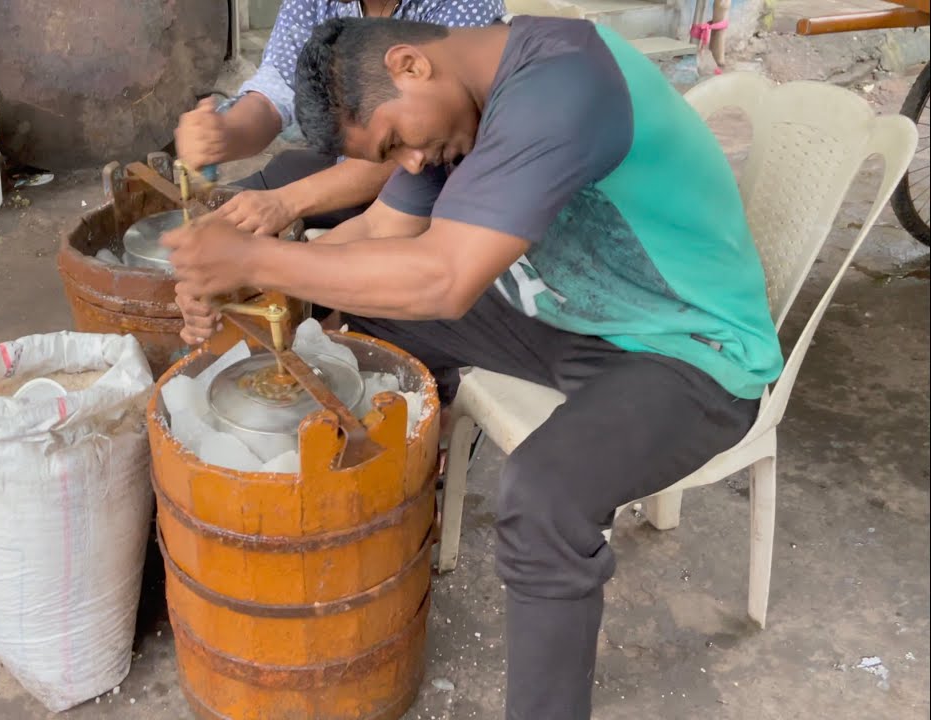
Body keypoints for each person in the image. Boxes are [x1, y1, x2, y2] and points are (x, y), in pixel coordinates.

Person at [163, 15, 784, 719]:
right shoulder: (461, 101)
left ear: (411, 65)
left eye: (398, 141)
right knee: (354, 319)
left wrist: (255, 259)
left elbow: (444, 279)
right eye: (389, 156)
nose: (414, 164)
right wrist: (247, 287)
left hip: (689, 349)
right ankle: (361, 532)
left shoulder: (563, 82)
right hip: (566, 318)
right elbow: (378, 233)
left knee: (544, 496)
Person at [174, 0, 501, 236]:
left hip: (435, 190)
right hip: (356, 168)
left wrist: (287, 204)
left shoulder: (461, 8)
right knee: (224, 214)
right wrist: (226, 133)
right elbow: (277, 89)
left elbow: (418, 148)